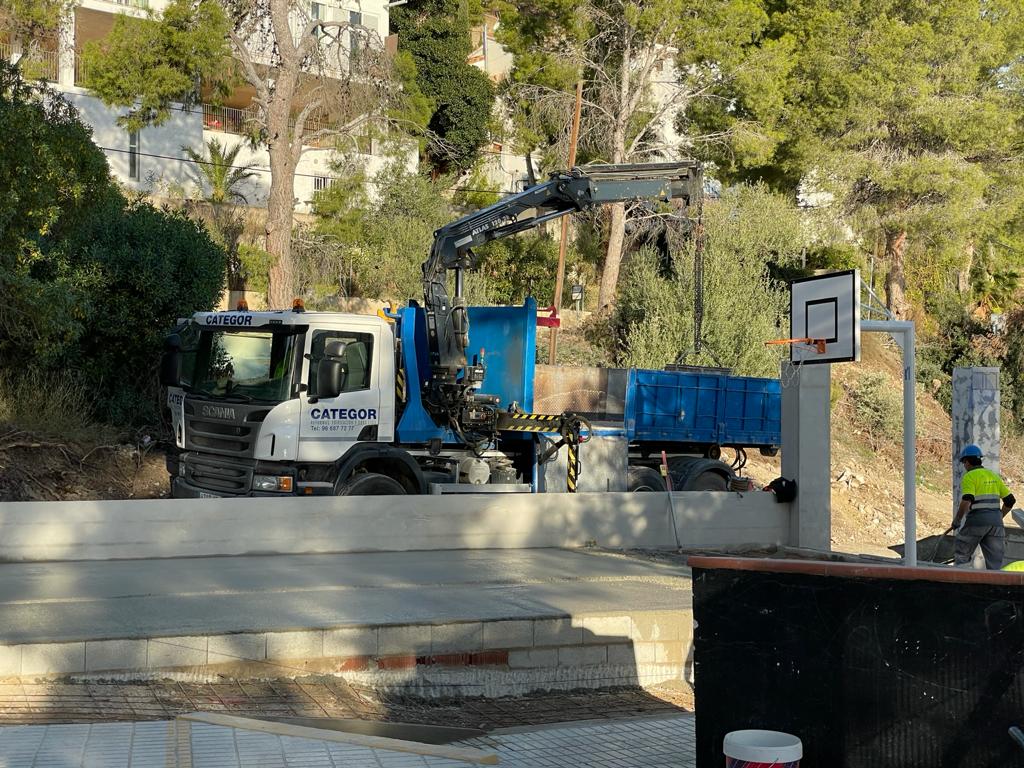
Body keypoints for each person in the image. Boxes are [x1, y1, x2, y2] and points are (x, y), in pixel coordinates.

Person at [953, 444, 1016, 570]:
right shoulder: (993, 475)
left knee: (962, 554)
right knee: (995, 563)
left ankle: (960, 583)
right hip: (996, 525)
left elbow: (967, 500)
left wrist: (957, 520)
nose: (964, 466)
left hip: (976, 522)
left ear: (967, 461)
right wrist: (999, 516)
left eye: (964, 463)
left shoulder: (969, 476)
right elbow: (1010, 500)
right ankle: (995, 587)